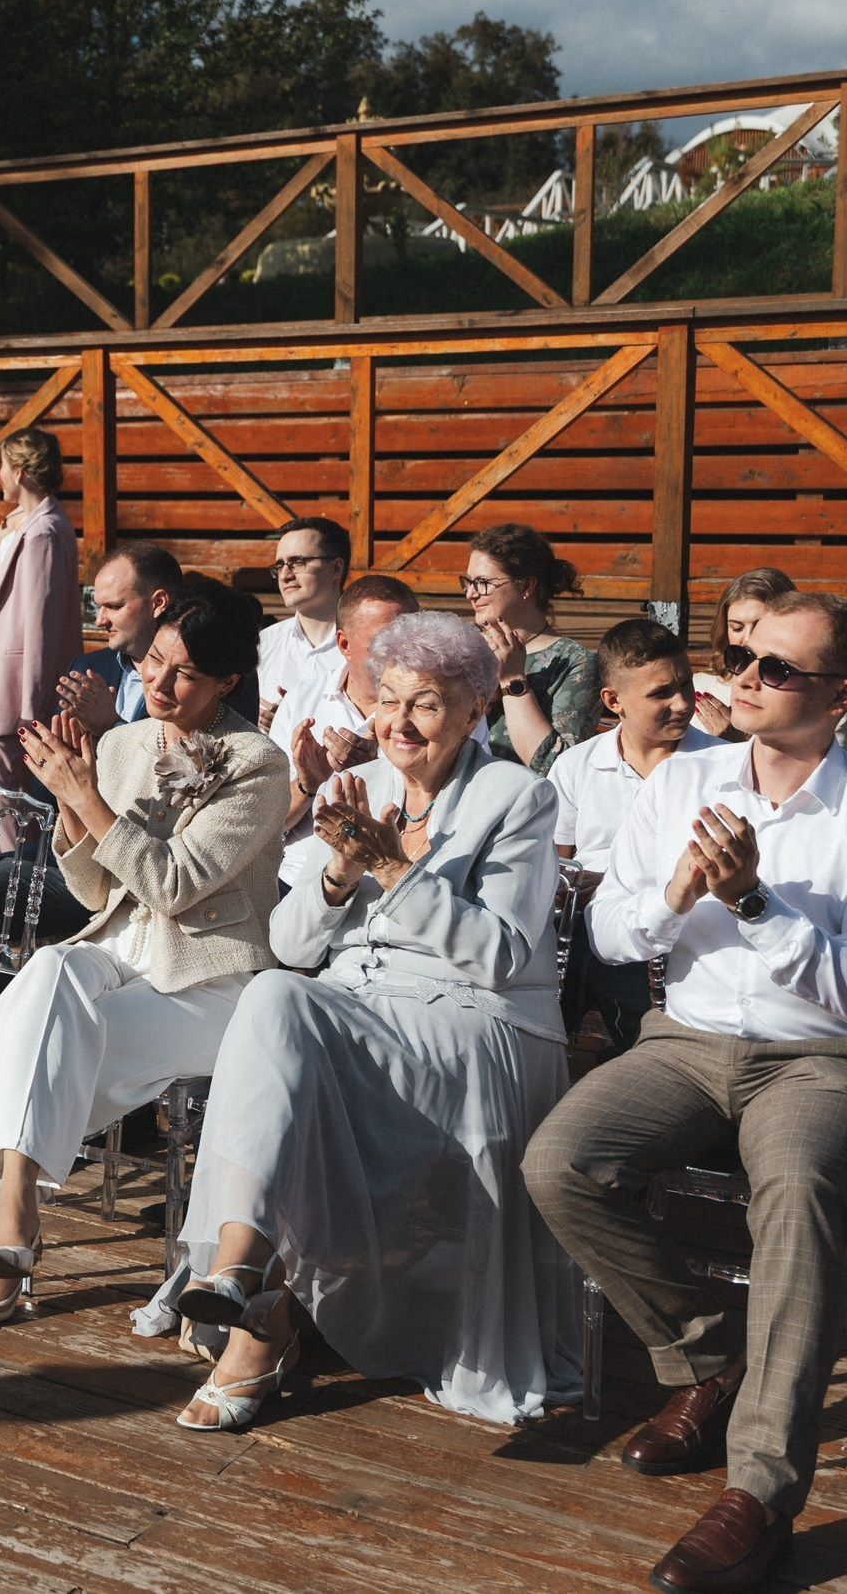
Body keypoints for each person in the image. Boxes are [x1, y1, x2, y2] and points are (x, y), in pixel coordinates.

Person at [525, 593, 847, 1594]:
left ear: (843, 696)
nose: (744, 681)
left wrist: (752, 900)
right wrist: (676, 894)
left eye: (776, 671)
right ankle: (702, 1355)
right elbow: (615, 936)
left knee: (792, 1196)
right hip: (686, 1037)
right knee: (559, 1163)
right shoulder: (684, 782)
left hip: (819, 1058)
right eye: (744, 661)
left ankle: (758, 1492)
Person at [172, 611, 576, 1432]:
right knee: (274, 997)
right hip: (361, 1016)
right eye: (387, 699)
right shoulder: (359, 790)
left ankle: (258, 1308)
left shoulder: (518, 797)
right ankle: (243, 1276)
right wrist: (339, 872)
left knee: (283, 1016)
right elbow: (287, 946)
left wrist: (393, 866)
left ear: (474, 712)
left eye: (425, 705)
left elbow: (499, 956)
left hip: (478, 1025)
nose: (397, 722)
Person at [0, 585, 286, 1332]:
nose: (159, 685)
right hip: (120, 947)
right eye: (155, 661)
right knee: (49, 972)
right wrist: (71, 803)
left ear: (228, 683)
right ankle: (16, 1214)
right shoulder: (132, 743)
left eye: (185, 674)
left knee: (28, 1037)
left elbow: (172, 884)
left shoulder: (256, 763)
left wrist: (82, 793)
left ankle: (12, 1231)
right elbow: (97, 881)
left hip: (213, 977)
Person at [548, 618, 725, 1052]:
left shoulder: (723, 764)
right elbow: (556, 860)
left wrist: (609, 883)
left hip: (672, 933)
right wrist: (569, 886)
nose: (683, 703)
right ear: (613, 701)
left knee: (644, 1039)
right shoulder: (577, 765)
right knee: (545, 1019)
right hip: (581, 928)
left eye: (686, 685)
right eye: (661, 693)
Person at [0, 429, 81, 794]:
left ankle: (4, 857)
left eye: (1, 467)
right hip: (4, 682)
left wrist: (31, 706)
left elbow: (41, 625)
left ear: (20, 472)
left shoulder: (43, 532)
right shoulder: (25, 520)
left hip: (20, 692)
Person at [268, 574, 416, 893]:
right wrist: (308, 784)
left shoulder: (442, 707)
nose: (400, 654)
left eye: (409, 640)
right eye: (383, 643)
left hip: (394, 883)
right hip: (298, 882)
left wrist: (378, 765)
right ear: (344, 645)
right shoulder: (303, 701)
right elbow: (268, 825)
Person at [464, 522, 597, 773]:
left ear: (526, 586)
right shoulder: (462, 646)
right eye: (468, 582)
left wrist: (513, 681)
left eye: (482, 582)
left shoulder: (573, 661)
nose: (471, 593)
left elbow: (555, 768)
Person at [55, 543, 180, 738]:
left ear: (158, 603)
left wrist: (110, 726)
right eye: (99, 606)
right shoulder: (86, 668)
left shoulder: (190, 679)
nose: (100, 621)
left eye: (114, 606)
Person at [254, 516, 350, 728]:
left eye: (298, 562)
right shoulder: (263, 644)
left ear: (336, 569)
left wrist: (289, 721)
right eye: (280, 565)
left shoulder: (364, 646)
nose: (285, 575)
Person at [694, 567, 796, 738]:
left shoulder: (807, 690)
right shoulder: (700, 686)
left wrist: (735, 746)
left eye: (760, 625)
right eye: (737, 627)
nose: (747, 639)